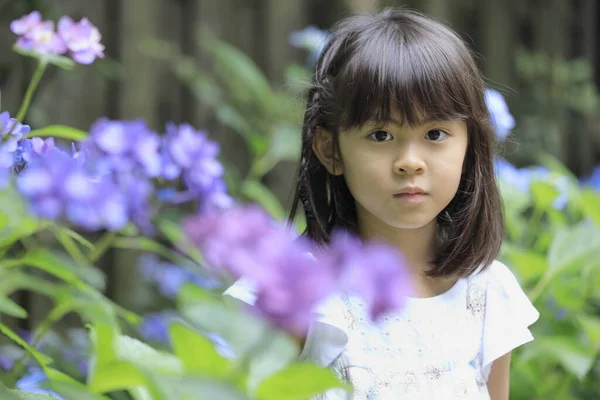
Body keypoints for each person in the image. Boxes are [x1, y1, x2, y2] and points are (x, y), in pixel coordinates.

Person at [225, 7, 539, 399]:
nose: (410, 161)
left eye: (436, 133)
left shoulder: (487, 295)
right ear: (330, 149)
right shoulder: (298, 293)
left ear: (471, 144)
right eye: (380, 135)